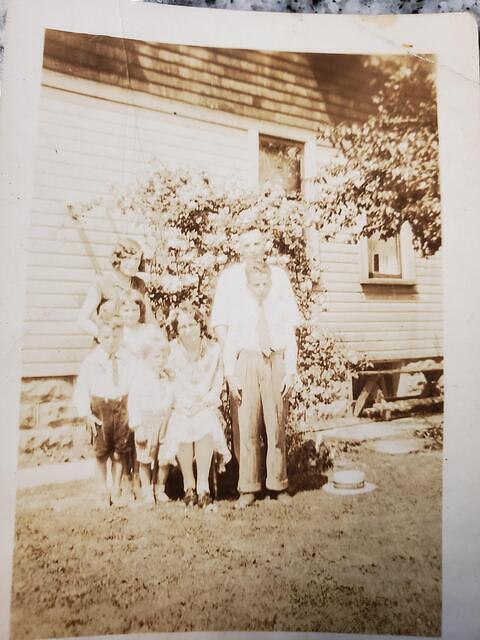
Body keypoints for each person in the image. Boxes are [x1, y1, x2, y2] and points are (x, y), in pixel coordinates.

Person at [210, 228, 301, 508]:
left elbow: (290, 327)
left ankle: (277, 482)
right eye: (247, 244)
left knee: (275, 423)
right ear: (240, 248)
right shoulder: (231, 280)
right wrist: (232, 368)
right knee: (246, 425)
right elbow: (223, 324)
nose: (252, 248)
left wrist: (290, 369)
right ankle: (247, 486)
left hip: (275, 358)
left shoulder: (279, 277)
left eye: (257, 243)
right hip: (245, 358)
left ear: (265, 246)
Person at [162, 304, 231, 510]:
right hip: (180, 405)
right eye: (182, 326)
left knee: (205, 421)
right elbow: (168, 383)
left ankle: (203, 487)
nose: (188, 330)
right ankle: (188, 487)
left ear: (200, 325)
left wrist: (202, 402)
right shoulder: (170, 351)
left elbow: (217, 384)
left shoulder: (214, 350)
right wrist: (181, 404)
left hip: (205, 404)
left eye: (192, 324)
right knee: (180, 421)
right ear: (176, 330)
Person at [73, 316, 136, 508]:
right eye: (107, 337)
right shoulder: (91, 361)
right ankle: (102, 492)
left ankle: (116, 490)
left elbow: (133, 384)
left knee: (119, 452)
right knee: (101, 454)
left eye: (116, 337)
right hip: (100, 410)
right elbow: (82, 389)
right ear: (99, 337)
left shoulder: (127, 359)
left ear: (121, 336)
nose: (111, 341)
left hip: (121, 407)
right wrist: (86, 414)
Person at [128, 331, 173, 505]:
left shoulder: (167, 378)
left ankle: (160, 488)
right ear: (146, 358)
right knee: (145, 458)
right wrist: (137, 426)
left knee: (164, 458)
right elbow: (133, 403)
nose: (160, 360)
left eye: (163, 357)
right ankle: (147, 490)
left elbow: (171, 397)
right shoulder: (140, 379)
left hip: (165, 420)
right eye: (156, 357)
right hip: (146, 421)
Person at [78, 238, 154, 338]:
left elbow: (149, 320)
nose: (133, 264)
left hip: (133, 346)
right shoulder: (102, 283)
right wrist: (107, 337)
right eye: (128, 258)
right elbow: (82, 320)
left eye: (136, 259)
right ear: (118, 259)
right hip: (109, 346)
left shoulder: (139, 284)